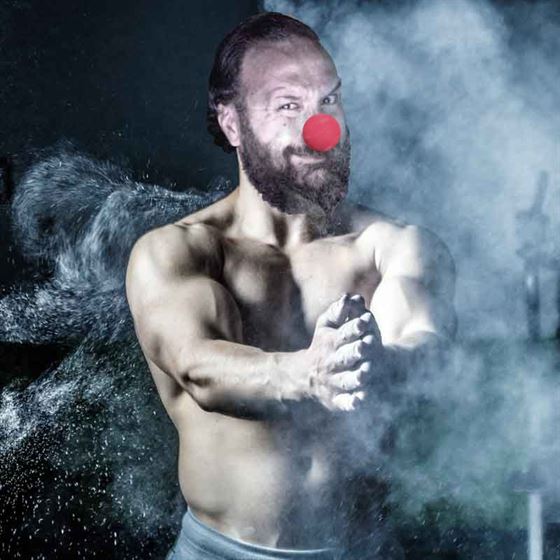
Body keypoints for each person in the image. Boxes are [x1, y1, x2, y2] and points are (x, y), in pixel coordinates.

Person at [125, 11, 457, 560]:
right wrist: (309, 374)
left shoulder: (393, 246)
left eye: (329, 100)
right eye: (288, 106)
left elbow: (427, 347)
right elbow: (199, 367)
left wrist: (383, 364)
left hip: (360, 550)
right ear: (232, 124)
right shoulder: (178, 252)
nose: (319, 128)